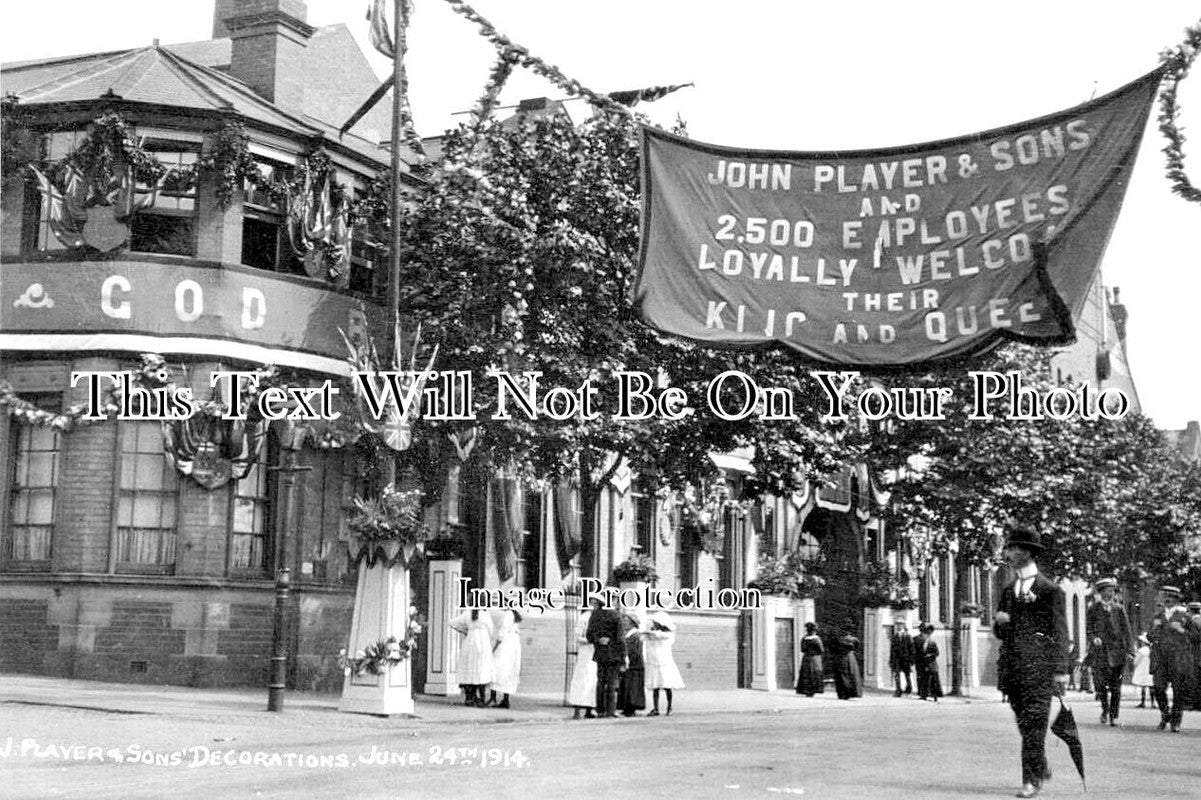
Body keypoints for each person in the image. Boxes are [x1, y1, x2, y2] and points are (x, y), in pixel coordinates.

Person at [993, 524, 1070, 799]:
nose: (1010, 553)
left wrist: (1061, 671)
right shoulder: (1008, 590)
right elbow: (1001, 632)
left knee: (1034, 722)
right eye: (1010, 548)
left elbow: (1060, 632)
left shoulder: (1050, 590)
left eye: (1014, 549)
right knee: (1025, 723)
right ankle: (1040, 762)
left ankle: (1031, 780)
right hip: (1013, 670)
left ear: (1027, 552)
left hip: (1040, 670)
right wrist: (1000, 623)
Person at [1147, 584, 1199, 732]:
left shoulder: (1185, 617)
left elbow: (1196, 637)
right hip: (1160, 658)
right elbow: (1149, 636)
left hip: (1178, 658)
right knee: (1158, 688)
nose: (1167, 601)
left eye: (1170, 598)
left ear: (1176, 600)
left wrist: (1181, 630)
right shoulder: (1158, 616)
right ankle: (1165, 714)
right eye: (1165, 598)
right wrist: (1155, 629)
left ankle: (1176, 721)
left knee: (1178, 691)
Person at [1084, 576, 1133, 726]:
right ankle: (1105, 709)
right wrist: (1093, 638)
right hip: (1099, 652)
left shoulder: (1119, 608)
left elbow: (1127, 630)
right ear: (1101, 592)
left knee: (1115, 686)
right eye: (1108, 591)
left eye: (1112, 590)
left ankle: (1113, 715)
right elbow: (1088, 629)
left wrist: (1130, 650)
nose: (1111, 593)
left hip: (1117, 652)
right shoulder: (1094, 608)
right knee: (1100, 684)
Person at [585, 589, 626, 718]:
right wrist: (624, 657)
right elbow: (620, 638)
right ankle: (610, 711)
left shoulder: (595, 615)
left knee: (601, 682)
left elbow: (589, 636)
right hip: (614, 654)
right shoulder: (616, 615)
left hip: (600, 654)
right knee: (612, 683)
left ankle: (600, 710)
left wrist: (599, 640)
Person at [450, 608, 495, 708]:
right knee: (482, 669)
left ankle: (469, 698)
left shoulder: (467, 613)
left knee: (469, 669)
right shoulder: (485, 614)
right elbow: (491, 630)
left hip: (470, 641)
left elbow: (452, 623)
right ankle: (481, 699)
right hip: (483, 642)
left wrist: (466, 630)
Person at [643, 611, 684, 716]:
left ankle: (669, 707)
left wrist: (650, 633)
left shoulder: (668, 634)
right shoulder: (653, 633)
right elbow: (645, 638)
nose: (654, 624)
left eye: (656, 622)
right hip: (654, 661)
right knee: (655, 686)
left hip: (665, 662)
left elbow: (662, 636)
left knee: (667, 685)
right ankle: (655, 708)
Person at [568, 597, 600, 719]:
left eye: (596, 603)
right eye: (591, 602)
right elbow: (577, 637)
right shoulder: (583, 618)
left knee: (593, 679)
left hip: (595, 652)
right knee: (581, 678)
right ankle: (577, 709)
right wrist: (589, 640)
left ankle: (589, 709)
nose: (594, 605)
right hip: (585, 653)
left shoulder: (599, 618)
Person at [487, 608, 522, 709]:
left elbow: (503, 630)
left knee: (496, 667)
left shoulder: (508, 614)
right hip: (514, 644)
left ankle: (493, 697)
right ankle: (505, 699)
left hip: (506, 643)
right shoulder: (514, 615)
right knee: (509, 670)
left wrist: (496, 645)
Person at [618, 608, 647, 716]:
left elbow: (635, 651)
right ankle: (627, 707)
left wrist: (628, 660)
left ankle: (631, 708)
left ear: (632, 623)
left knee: (633, 687)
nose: (624, 624)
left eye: (626, 622)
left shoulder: (636, 635)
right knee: (626, 686)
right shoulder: (627, 635)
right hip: (629, 664)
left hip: (634, 665)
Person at [796, 622, 824, 696]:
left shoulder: (804, 639)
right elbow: (821, 650)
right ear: (814, 630)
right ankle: (814, 689)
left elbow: (802, 649)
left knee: (806, 673)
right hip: (815, 658)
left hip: (806, 658)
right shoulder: (817, 639)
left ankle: (806, 690)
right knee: (815, 673)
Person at [832, 631, 862, 700]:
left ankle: (843, 694)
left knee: (843, 676)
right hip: (851, 657)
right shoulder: (854, 639)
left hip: (841, 658)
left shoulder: (839, 640)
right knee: (853, 675)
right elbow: (857, 646)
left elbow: (834, 648)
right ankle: (854, 693)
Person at [917, 623, 942, 701]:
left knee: (932, 680)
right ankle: (923, 695)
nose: (925, 636)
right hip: (924, 663)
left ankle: (934, 696)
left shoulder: (932, 643)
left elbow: (937, 653)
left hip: (931, 664)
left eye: (926, 635)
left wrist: (930, 655)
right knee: (924, 679)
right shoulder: (922, 643)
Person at [890, 621, 914, 697]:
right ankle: (898, 690)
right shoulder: (895, 637)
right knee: (897, 675)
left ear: (903, 626)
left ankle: (909, 688)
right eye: (897, 625)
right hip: (897, 659)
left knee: (907, 675)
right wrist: (891, 660)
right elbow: (892, 649)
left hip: (906, 659)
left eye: (900, 625)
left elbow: (911, 649)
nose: (899, 627)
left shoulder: (907, 636)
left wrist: (911, 660)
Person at [1132, 633, 1153, 709]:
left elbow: (1136, 661)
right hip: (1150, 669)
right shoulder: (1152, 650)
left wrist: (1134, 660)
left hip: (1143, 669)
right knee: (1151, 686)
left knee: (1143, 686)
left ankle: (1143, 702)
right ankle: (1152, 702)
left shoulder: (1141, 651)